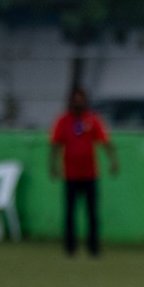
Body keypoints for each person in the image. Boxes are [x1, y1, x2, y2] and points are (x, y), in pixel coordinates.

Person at [48, 87, 118, 258]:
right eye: (75, 99)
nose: (78, 102)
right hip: (70, 174)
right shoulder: (63, 121)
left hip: (89, 174)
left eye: (81, 99)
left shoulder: (93, 120)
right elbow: (55, 144)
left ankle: (93, 248)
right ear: (71, 101)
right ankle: (70, 248)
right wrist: (53, 165)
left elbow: (105, 141)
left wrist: (113, 161)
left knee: (92, 213)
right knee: (70, 213)